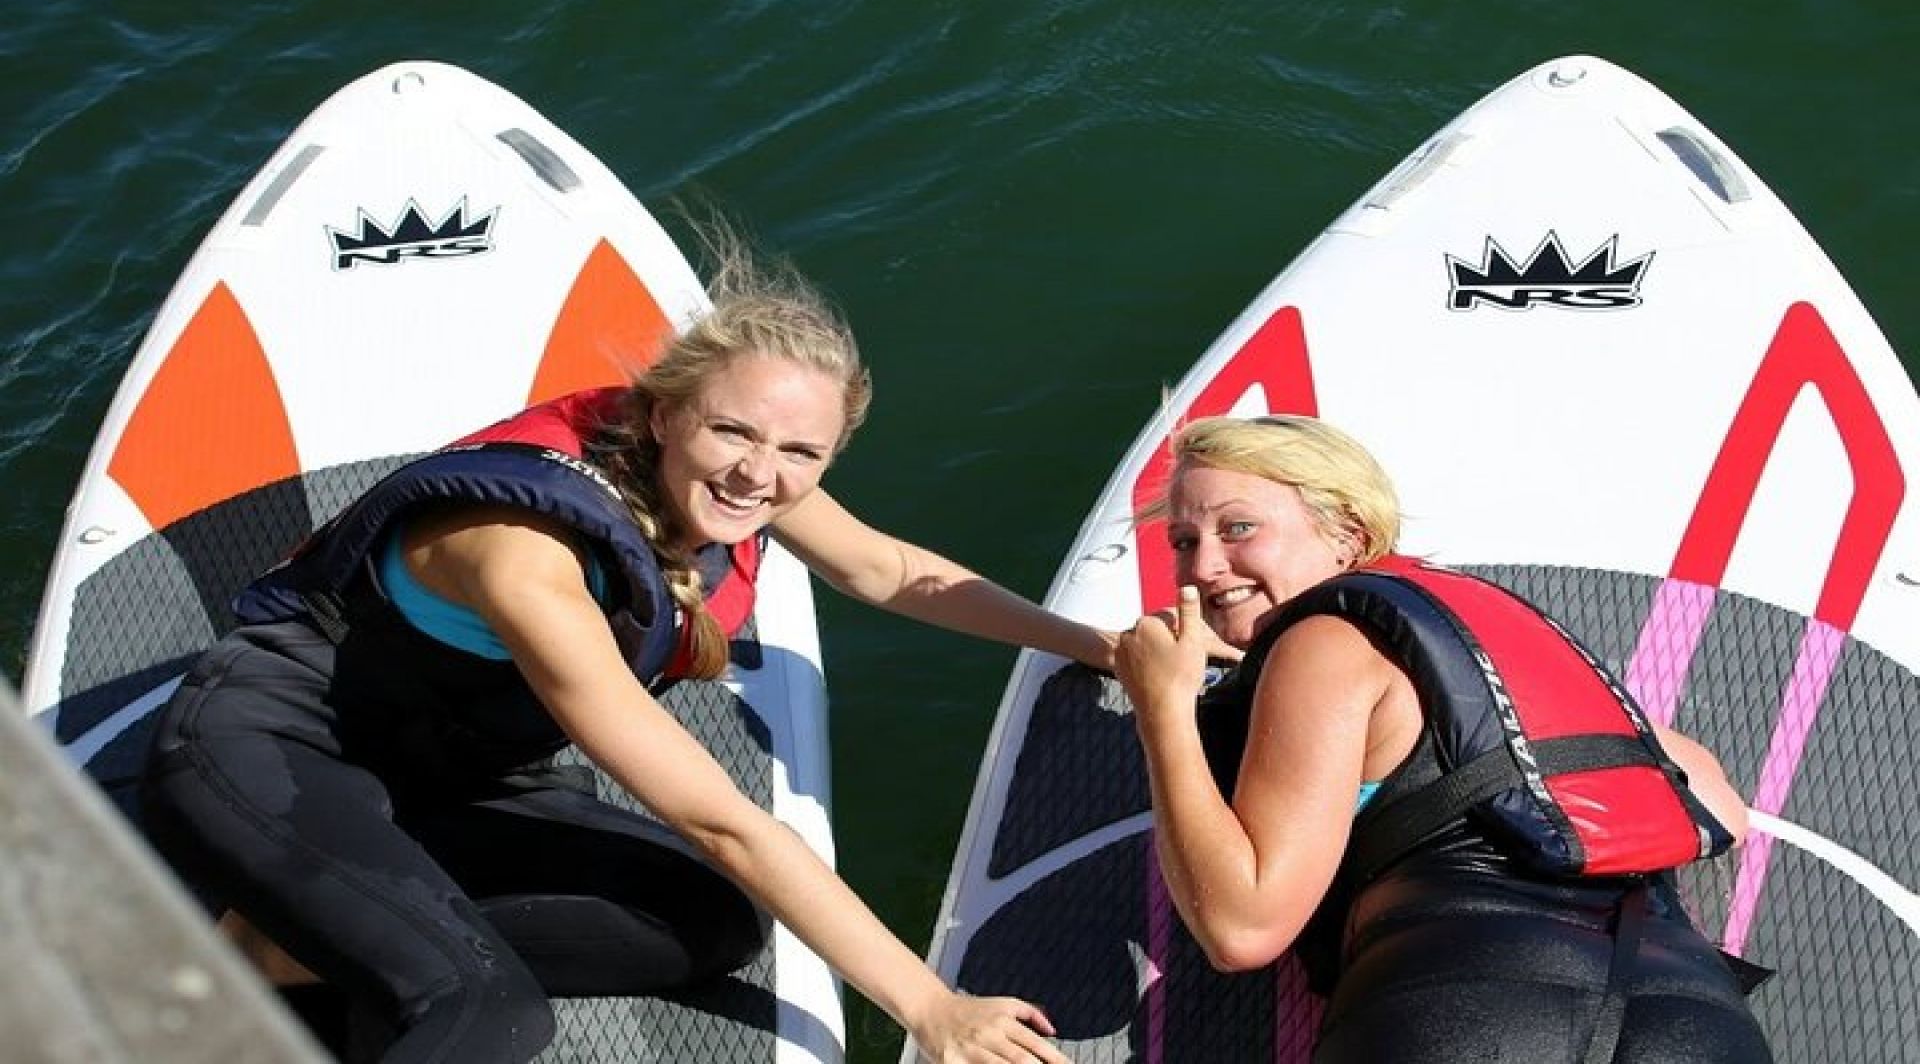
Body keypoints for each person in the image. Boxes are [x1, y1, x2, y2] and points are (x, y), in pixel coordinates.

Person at [141, 232, 1099, 1064]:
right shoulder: (529, 560)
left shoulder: (751, 482)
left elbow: (885, 571)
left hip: (441, 776)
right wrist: (931, 1008)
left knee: (711, 922)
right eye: (733, 431)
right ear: (663, 414)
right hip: (279, 752)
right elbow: (723, 820)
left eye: (800, 454)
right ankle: (326, 945)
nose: (760, 473)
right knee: (487, 1010)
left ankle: (282, 945)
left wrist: (1098, 646)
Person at [1112, 414, 1771, 1063]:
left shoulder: (1322, 643)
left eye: (1239, 528)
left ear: (1347, 535)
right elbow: (1720, 810)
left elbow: (1243, 927)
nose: (1204, 566)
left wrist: (1163, 708)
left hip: (1466, 1007)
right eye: (1181, 541)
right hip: (1687, 1015)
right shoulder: (1495, 633)